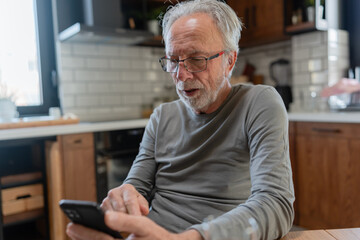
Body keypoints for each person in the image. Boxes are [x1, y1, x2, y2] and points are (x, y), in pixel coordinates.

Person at [66, 0, 295, 239]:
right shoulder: (162, 117)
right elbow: (137, 186)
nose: (181, 75)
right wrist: (124, 198)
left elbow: (276, 204)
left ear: (229, 61)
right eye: (173, 60)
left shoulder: (258, 103)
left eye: (197, 59)